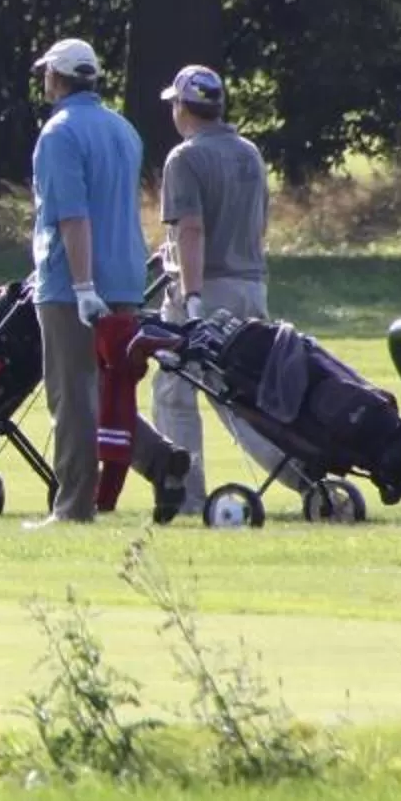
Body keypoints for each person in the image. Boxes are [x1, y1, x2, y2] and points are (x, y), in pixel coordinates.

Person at [24, 37, 184, 525]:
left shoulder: (59, 133)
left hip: (73, 282)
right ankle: (160, 460)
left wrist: (81, 286)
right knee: (105, 389)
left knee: (72, 395)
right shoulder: (122, 129)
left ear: (57, 77)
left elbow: (72, 216)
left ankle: (73, 507)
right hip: (125, 275)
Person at [152, 62, 282, 503]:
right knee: (245, 398)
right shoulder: (249, 152)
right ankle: (304, 476)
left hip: (205, 291)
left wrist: (190, 297)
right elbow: (258, 223)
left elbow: (191, 229)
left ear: (184, 108)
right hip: (251, 286)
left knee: (175, 393)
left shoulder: (184, 157)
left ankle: (186, 498)